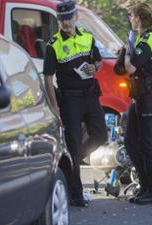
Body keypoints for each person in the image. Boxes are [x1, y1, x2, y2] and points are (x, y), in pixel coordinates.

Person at [43, 0, 107, 207]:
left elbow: (97, 60)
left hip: (90, 96)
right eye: (62, 20)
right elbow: (48, 78)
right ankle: (76, 194)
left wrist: (94, 67)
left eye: (69, 18)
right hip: (70, 100)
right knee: (72, 144)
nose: (66, 23)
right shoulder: (53, 45)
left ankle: (74, 162)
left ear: (76, 17)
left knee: (100, 135)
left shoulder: (88, 37)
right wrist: (54, 105)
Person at [118, 2, 152, 205]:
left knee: (147, 144)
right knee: (130, 142)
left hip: (149, 97)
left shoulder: (148, 39)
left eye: (131, 16)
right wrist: (123, 52)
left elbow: (131, 67)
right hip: (138, 97)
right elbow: (120, 69)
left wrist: (127, 54)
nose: (130, 19)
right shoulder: (138, 40)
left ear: (138, 18)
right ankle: (145, 186)